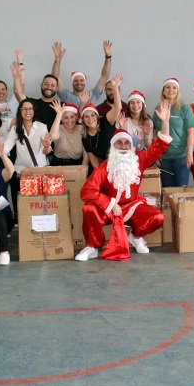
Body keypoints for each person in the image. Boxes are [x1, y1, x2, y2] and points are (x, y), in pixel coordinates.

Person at [75, 100, 172, 261]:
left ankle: (135, 237)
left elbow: (160, 146)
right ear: (113, 146)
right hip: (109, 210)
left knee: (158, 217)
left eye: (127, 143)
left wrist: (165, 122)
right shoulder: (104, 167)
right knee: (88, 209)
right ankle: (92, 246)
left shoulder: (139, 159)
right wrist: (110, 204)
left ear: (131, 146)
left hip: (132, 207)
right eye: (119, 143)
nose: (123, 146)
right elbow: (86, 191)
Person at [4, 97, 62, 214]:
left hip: (40, 171)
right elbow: (5, 149)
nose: (27, 112)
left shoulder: (41, 127)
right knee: (24, 208)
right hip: (22, 173)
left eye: (30, 109)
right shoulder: (16, 129)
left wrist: (46, 146)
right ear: (20, 111)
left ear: (34, 111)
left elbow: (46, 152)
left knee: (41, 206)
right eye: (24, 109)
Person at [51, 40, 112, 108]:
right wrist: (57, 60)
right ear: (72, 82)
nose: (79, 83)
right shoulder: (65, 95)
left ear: (85, 82)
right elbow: (54, 78)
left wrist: (108, 56)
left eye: (81, 80)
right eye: (76, 80)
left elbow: (104, 76)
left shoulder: (93, 93)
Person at [81, 76, 123, 171]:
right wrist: (103, 174)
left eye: (93, 115)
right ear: (83, 120)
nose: (90, 119)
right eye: (86, 116)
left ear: (97, 116)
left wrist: (115, 88)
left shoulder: (106, 121)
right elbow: (93, 160)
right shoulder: (85, 138)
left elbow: (117, 108)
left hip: (120, 164)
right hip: (103, 169)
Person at [51, 102, 86, 166]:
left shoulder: (82, 130)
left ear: (76, 117)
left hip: (77, 164)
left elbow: (86, 154)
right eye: (66, 118)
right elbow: (53, 136)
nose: (69, 120)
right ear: (61, 119)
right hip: (58, 164)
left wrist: (82, 169)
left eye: (72, 117)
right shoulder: (58, 128)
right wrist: (59, 114)